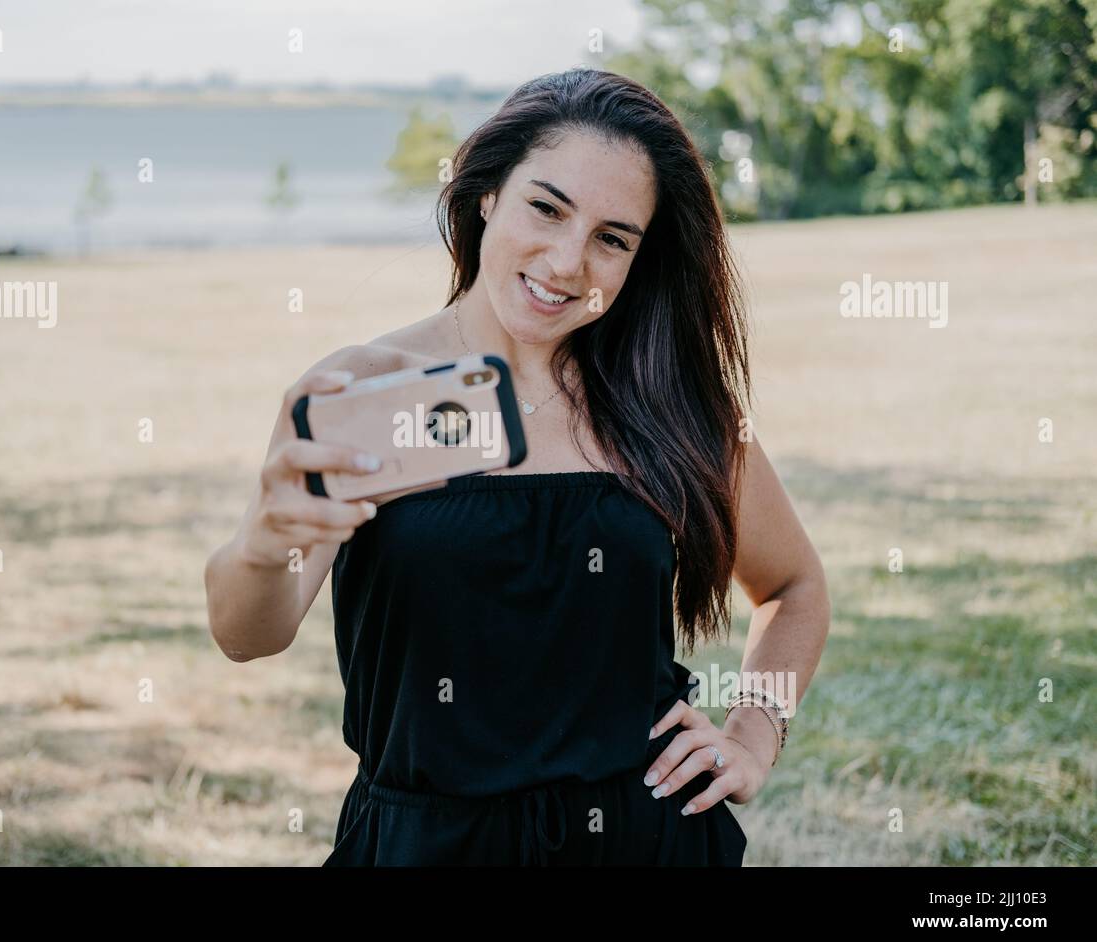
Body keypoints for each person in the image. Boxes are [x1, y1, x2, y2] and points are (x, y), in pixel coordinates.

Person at [204, 67, 831, 865]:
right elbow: (246, 635)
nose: (568, 262)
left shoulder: (668, 402)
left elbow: (795, 587)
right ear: (487, 193)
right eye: (546, 207)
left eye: (612, 238)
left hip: (643, 842)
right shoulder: (366, 386)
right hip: (424, 847)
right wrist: (265, 541)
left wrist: (752, 731)